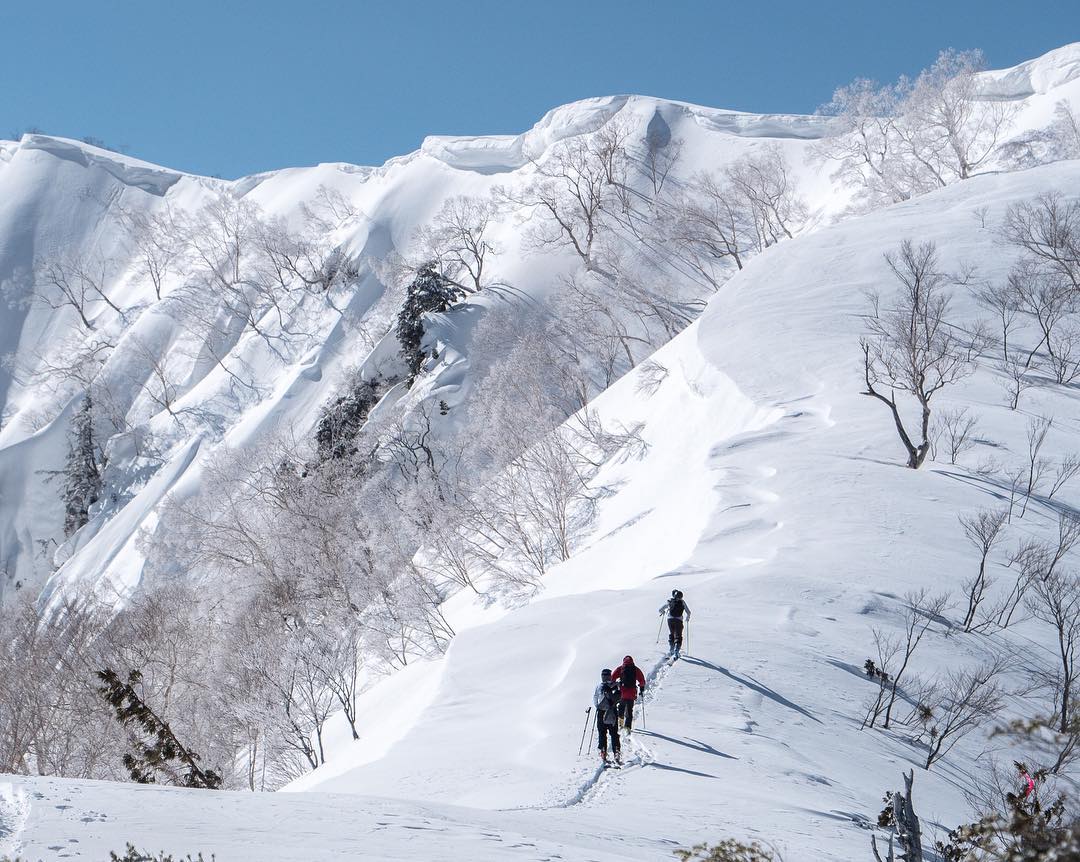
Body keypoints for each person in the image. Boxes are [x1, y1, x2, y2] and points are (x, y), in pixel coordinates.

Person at [593, 668, 622, 765]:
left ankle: (603, 751)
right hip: (612, 711)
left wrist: (598, 706)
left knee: (602, 732)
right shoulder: (615, 685)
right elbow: (619, 697)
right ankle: (616, 752)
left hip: (601, 712)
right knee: (614, 733)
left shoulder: (599, 686)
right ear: (610, 676)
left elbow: (595, 697)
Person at [610, 655, 645, 733]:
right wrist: (641, 688)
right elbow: (642, 680)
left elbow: (612, 677)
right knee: (629, 710)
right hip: (632, 693)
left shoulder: (621, 668)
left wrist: (615, 685)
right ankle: (628, 727)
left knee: (621, 708)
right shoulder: (635, 669)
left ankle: (620, 724)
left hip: (623, 692)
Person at [659, 589, 691, 657]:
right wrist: (687, 618)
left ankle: (671, 649)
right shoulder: (682, 602)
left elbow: (660, 610)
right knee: (678, 635)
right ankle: (676, 651)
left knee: (672, 633)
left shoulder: (669, 601)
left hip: (670, 620)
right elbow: (688, 612)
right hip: (679, 620)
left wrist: (663, 612)